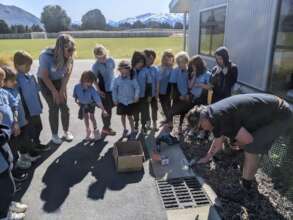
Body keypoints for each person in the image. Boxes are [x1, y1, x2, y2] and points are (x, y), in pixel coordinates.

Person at [187, 93, 292, 192]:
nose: (202, 130)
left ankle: (246, 187)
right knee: (237, 143)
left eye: (200, 127)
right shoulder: (211, 114)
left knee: (251, 147)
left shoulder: (221, 116)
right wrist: (207, 157)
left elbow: (248, 140)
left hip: (280, 115)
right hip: (266, 113)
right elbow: (218, 141)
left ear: (203, 119)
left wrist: (239, 144)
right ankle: (247, 172)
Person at [37, 34, 75, 144]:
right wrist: (54, 92)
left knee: (64, 107)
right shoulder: (45, 56)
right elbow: (45, 76)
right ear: (60, 48)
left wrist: (62, 90)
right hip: (46, 82)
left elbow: (67, 74)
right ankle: (54, 134)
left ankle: (66, 131)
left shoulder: (70, 57)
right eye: (69, 50)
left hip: (59, 80)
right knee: (54, 107)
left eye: (73, 49)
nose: (72, 52)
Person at [3, 66, 41, 172]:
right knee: (15, 144)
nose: (15, 82)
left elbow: (20, 103)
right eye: (12, 81)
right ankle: (18, 162)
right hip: (14, 126)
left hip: (22, 121)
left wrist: (25, 117)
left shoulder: (14, 88)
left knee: (25, 139)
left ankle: (25, 155)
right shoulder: (4, 94)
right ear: (4, 82)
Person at [14, 51, 48, 152]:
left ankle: (36, 143)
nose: (29, 67)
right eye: (26, 66)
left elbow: (36, 91)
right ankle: (29, 150)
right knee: (29, 132)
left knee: (39, 127)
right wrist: (23, 113)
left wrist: (40, 104)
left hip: (35, 109)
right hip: (26, 112)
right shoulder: (16, 80)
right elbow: (17, 97)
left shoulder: (31, 76)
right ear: (17, 65)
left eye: (30, 65)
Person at [73, 71, 107, 141]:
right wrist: (77, 102)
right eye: (90, 82)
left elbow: (98, 101)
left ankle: (96, 131)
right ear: (83, 80)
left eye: (92, 82)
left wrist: (103, 110)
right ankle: (88, 131)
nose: (91, 84)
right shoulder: (76, 87)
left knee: (92, 117)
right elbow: (75, 96)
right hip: (83, 105)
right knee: (86, 117)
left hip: (91, 105)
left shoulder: (92, 89)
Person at [92, 45, 116, 136]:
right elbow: (94, 80)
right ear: (96, 57)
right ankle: (106, 128)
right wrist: (98, 91)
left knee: (110, 108)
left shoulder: (111, 60)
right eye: (99, 58)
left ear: (106, 53)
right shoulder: (95, 66)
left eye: (104, 57)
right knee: (106, 109)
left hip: (112, 88)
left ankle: (106, 127)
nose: (102, 60)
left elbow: (112, 72)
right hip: (103, 90)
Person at [112, 60, 140, 139]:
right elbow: (114, 90)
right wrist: (115, 99)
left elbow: (137, 88)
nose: (124, 74)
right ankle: (125, 129)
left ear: (129, 70)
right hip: (121, 101)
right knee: (123, 116)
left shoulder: (132, 79)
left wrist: (136, 96)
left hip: (130, 101)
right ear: (119, 70)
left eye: (126, 72)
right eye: (122, 72)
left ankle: (132, 130)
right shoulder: (117, 80)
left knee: (130, 117)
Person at [166, 51, 192, 134]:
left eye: (183, 61)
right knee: (173, 112)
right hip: (178, 95)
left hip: (187, 96)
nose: (181, 63)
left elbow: (192, 85)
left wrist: (188, 94)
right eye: (179, 62)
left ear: (186, 61)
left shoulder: (190, 70)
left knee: (184, 112)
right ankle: (172, 129)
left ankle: (181, 128)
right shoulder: (175, 70)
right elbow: (173, 85)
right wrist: (178, 96)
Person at [131, 51, 148, 133]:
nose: (140, 64)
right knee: (135, 112)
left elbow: (149, 84)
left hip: (143, 96)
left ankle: (143, 125)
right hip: (133, 97)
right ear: (134, 61)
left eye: (142, 62)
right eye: (138, 62)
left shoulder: (145, 71)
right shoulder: (130, 71)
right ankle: (136, 124)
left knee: (144, 112)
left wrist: (149, 95)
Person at [142, 49, 159, 131]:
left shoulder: (155, 69)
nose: (151, 61)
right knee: (146, 109)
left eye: (153, 59)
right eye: (149, 59)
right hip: (145, 94)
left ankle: (155, 124)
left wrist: (157, 92)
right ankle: (148, 123)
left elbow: (157, 81)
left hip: (153, 94)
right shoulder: (142, 69)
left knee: (154, 109)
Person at [158, 50, 174, 123]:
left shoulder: (172, 69)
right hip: (160, 89)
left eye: (170, 60)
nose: (168, 61)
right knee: (163, 104)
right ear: (163, 59)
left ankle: (170, 120)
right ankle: (167, 118)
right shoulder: (160, 67)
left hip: (168, 90)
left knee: (168, 105)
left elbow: (172, 81)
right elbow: (159, 78)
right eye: (166, 59)